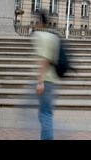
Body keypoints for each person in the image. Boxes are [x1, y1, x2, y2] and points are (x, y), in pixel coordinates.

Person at [31, 10, 60, 140]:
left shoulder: (40, 36)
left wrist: (40, 80)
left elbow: (44, 59)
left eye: (36, 22)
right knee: (46, 112)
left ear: (40, 23)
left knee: (44, 114)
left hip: (46, 81)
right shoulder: (53, 36)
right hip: (53, 79)